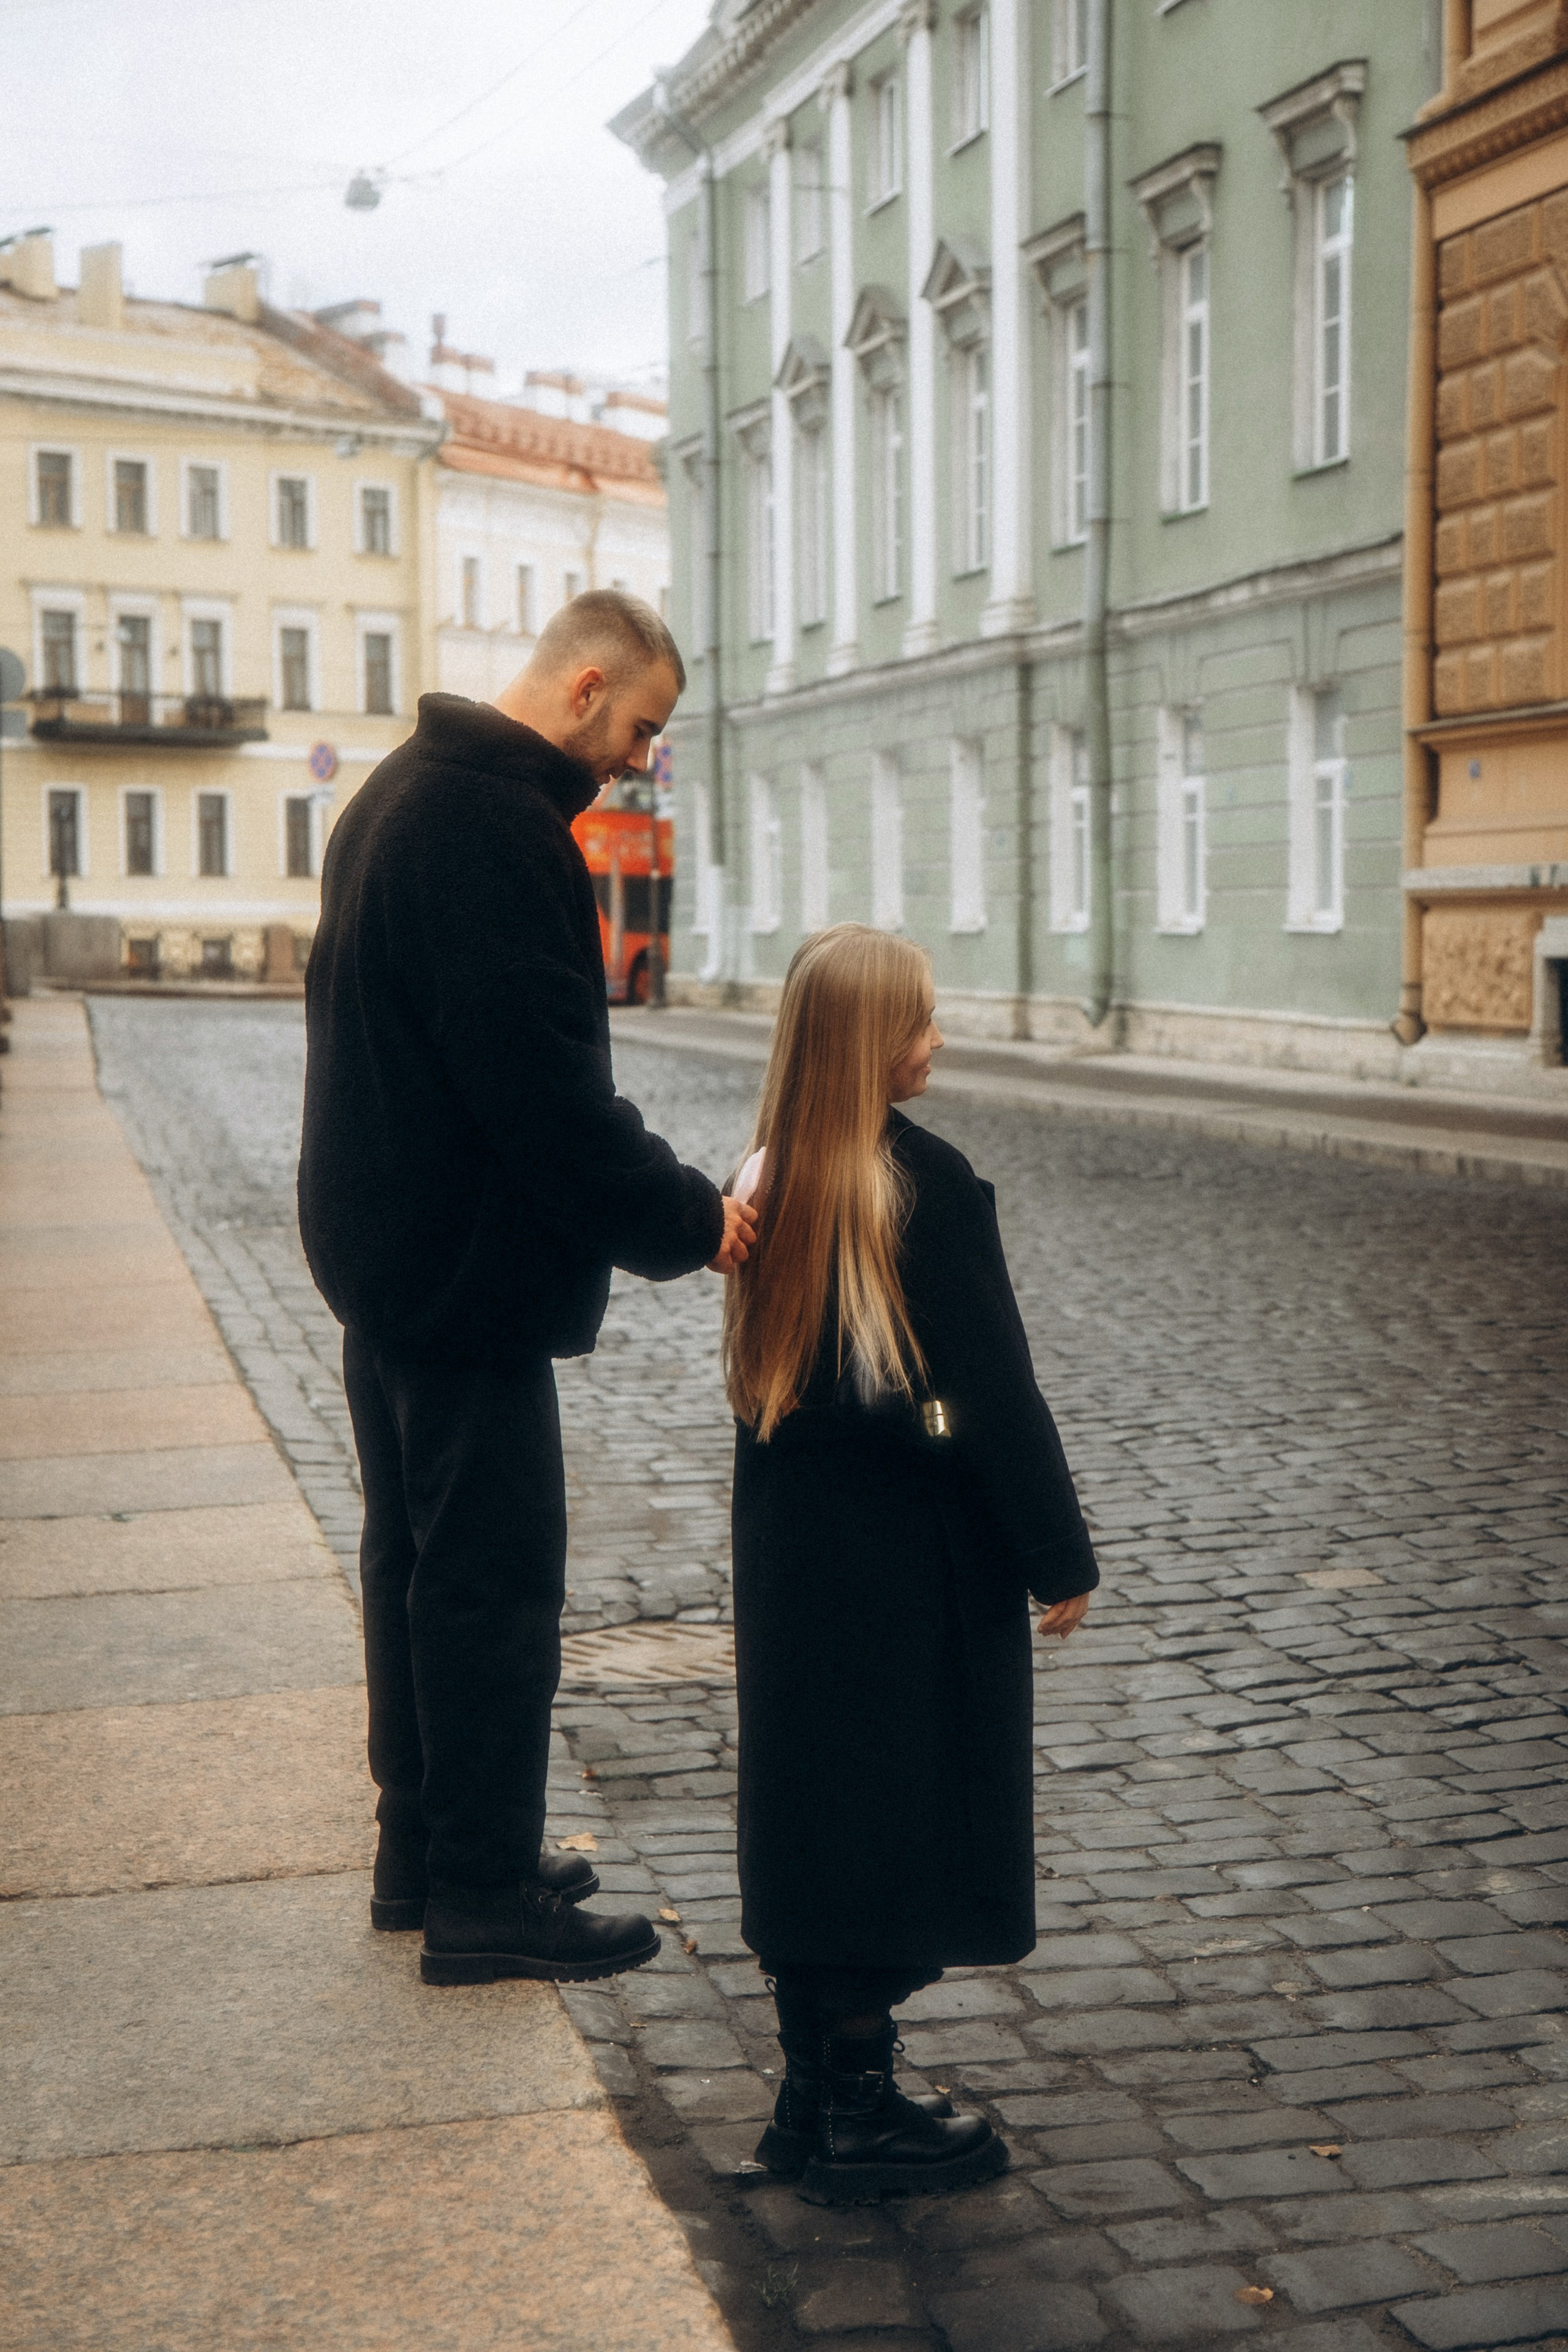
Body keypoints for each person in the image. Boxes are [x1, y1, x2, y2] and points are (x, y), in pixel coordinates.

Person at [298, 589, 756, 1988]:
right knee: (489, 1589)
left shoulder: (397, 792)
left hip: (386, 1264)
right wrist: (699, 1221)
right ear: (583, 687)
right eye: (639, 728)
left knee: (413, 1567)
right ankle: (484, 1896)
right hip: (460, 1275)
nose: (636, 759)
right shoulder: (496, 829)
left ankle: (422, 1853)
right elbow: (546, 1103)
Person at [722, 925, 1098, 2205]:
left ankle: (809, 2096)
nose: (937, 1040)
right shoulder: (921, 1185)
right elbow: (991, 1390)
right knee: (895, 1818)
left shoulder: (766, 1177)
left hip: (793, 1563)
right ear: (874, 1046)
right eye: (922, 1022)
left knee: (815, 1810)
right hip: (907, 1565)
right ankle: (860, 2104)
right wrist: (1055, 1554)